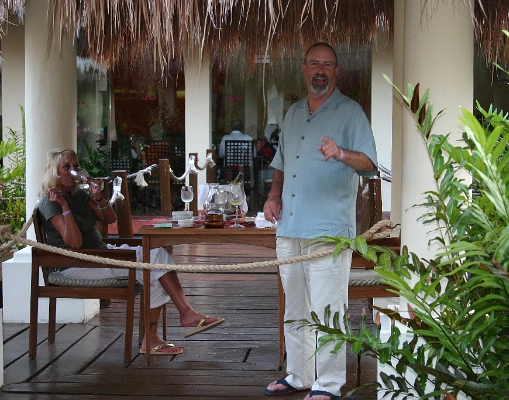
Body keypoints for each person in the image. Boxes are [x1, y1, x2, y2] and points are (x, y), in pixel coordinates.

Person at [263, 43, 377, 400]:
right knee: (295, 309)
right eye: (314, 63)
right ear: (303, 68)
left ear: (336, 71)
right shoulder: (294, 112)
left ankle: (328, 384)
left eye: (327, 65)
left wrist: (341, 153)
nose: (320, 70)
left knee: (328, 311)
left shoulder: (351, 112)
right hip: (290, 228)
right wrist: (273, 195)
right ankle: (298, 374)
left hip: (329, 230)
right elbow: (281, 163)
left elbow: (371, 165)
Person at [38, 148, 225, 356]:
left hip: (101, 255)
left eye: (75, 166)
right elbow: (74, 243)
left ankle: (163, 330)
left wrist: (98, 196)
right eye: (67, 167)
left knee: (157, 260)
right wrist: (64, 206)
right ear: (54, 172)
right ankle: (180, 318)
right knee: (154, 263)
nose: (74, 171)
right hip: (77, 265)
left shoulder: (78, 195)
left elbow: (109, 218)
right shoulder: (51, 202)